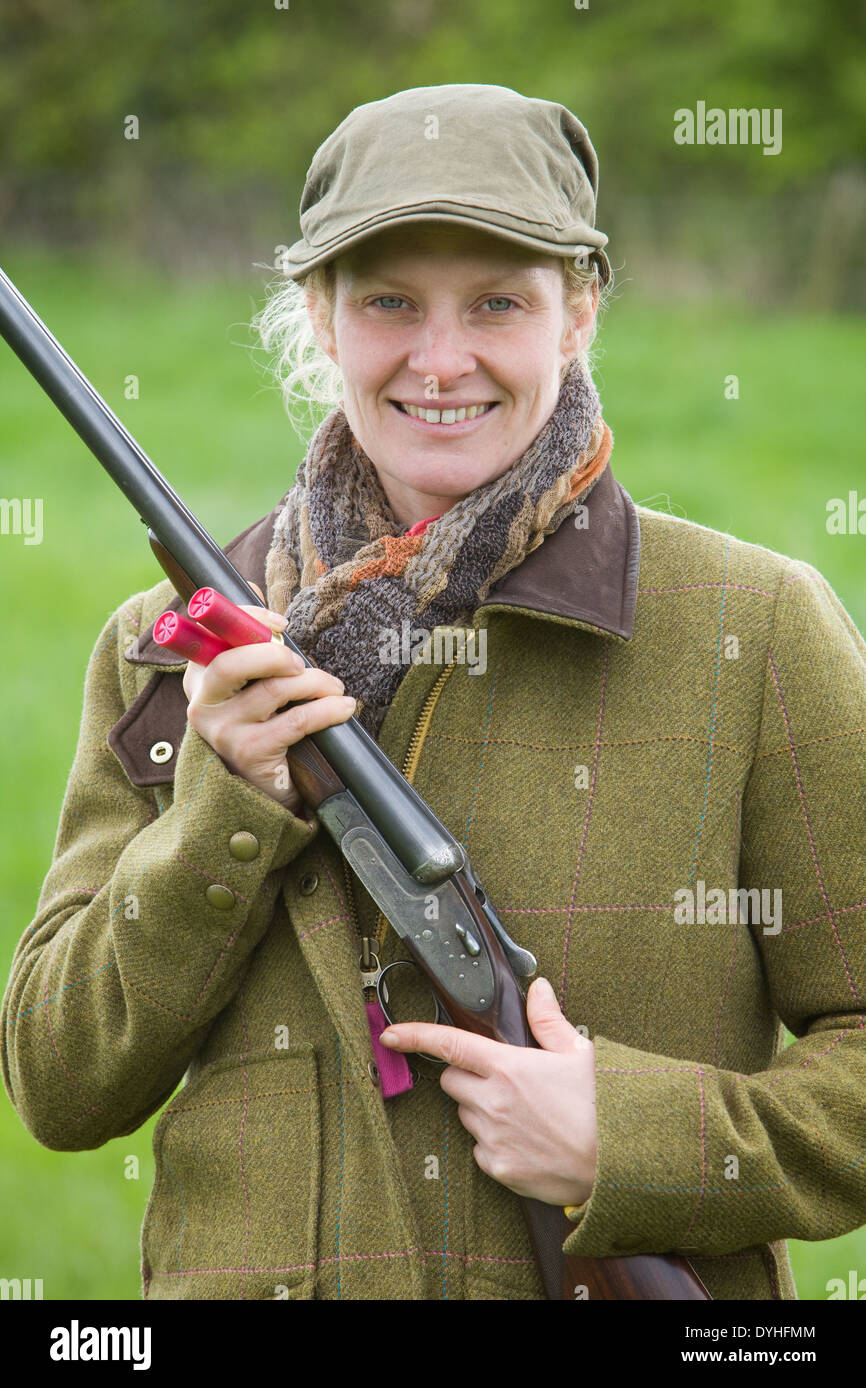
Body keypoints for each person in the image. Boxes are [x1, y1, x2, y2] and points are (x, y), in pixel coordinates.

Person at [3, 83, 865, 1302]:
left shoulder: (752, 627)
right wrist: (223, 808)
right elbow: (55, 1082)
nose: (439, 359)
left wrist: (630, 1140)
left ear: (577, 313)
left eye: (497, 303)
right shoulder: (169, 651)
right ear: (321, 316)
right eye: (390, 303)